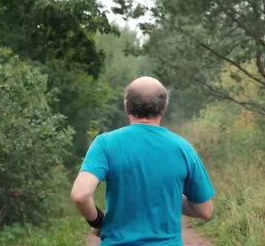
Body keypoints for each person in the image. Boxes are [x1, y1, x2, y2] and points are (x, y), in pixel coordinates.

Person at [71, 76, 215, 245]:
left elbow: (81, 195)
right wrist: (168, 194)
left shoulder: (105, 144)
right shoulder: (182, 148)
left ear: (126, 106)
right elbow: (205, 210)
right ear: (164, 107)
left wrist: (97, 221)